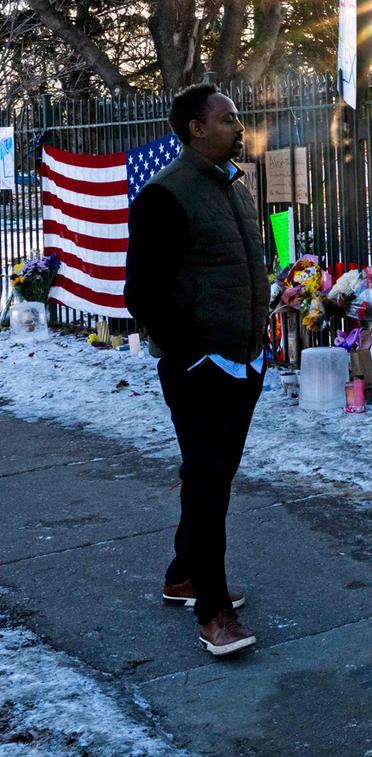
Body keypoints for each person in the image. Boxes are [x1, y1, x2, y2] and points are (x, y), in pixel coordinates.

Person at [125, 84, 270, 657]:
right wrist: (192, 353)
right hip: (202, 367)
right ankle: (212, 610)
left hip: (244, 359)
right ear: (195, 128)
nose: (240, 125)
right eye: (228, 118)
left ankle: (184, 574)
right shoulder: (166, 195)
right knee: (209, 483)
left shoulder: (231, 183)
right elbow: (144, 295)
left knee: (211, 475)